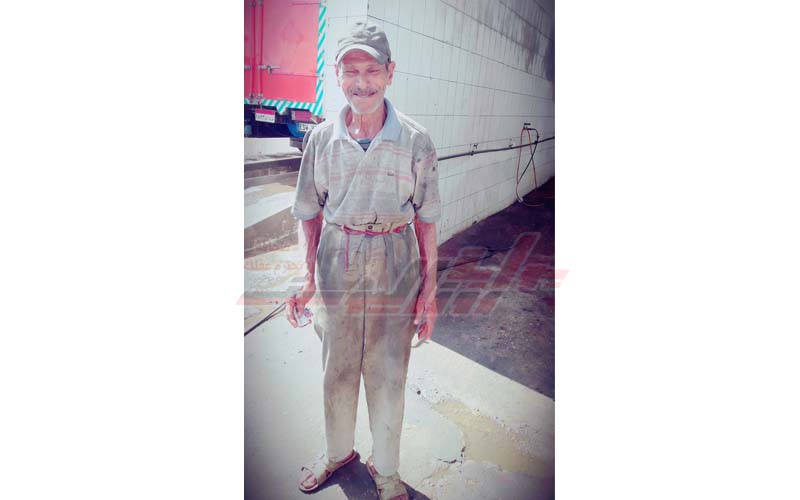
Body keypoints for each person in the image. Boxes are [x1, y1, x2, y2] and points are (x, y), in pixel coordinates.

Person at [285, 21, 441, 500]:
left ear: (390, 73)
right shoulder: (320, 140)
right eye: (351, 71)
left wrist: (429, 292)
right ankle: (338, 452)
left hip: (396, 259)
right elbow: (308, 213)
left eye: (372, 70)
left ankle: (387, 470)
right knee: (337, 367)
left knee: (389, 372)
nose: (362, 82)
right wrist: (307, 277)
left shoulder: (416, 141)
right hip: (339, 257)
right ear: (336, 75)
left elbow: (427, 221)